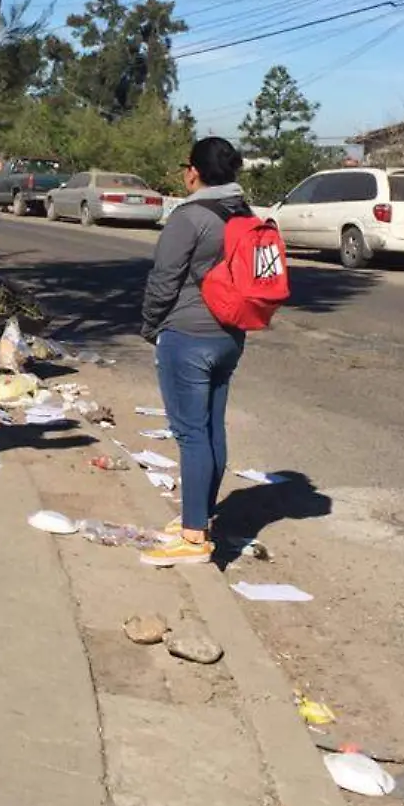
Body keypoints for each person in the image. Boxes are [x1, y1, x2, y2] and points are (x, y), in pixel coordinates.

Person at [138, 136, 251, 566]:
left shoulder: (191, 217)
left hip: (187, 336)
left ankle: (192, 537)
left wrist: (151, 325)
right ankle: (199, 517)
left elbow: (164, 279)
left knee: (189, 433)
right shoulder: (244, 213)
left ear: (194, 171)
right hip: (230, 336)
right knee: (211, 428)